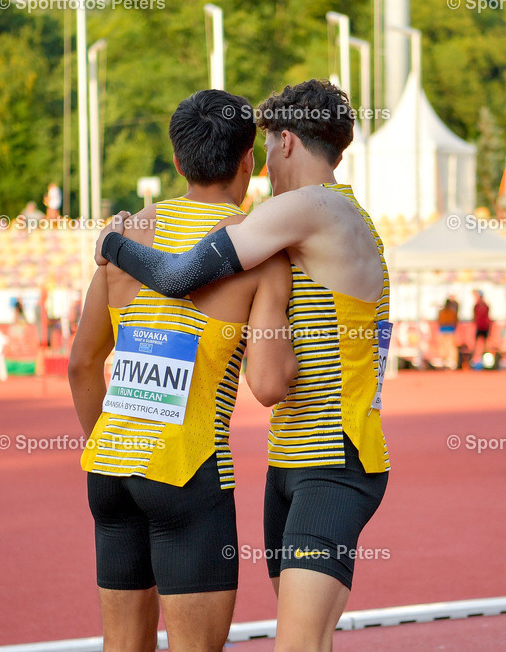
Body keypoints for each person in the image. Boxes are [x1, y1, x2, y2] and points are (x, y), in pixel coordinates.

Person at [96, 79, 391, 651]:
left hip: (334, 464)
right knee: (311, 642)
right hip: (293, 461)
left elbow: (182, 278)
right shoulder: (335, 215)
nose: (258, 175)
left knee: (297, 646)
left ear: (285, 141)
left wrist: (113, 243)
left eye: (265, 153)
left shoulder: (310, 206)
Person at [69, 89, 297, 651]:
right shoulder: (257, 248)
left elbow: (81, 364)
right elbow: (268, 385)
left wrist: (115, 439)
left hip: (112, 466)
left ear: (176, 162)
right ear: (251, 161)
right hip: (189, 468)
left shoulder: (125, 236)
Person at [437, 298, 459, 369]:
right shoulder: (451, 312)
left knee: (447, 346)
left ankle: (449, 361)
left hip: (444, 330)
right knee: (448, 346)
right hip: (448, 329)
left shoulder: (443, 312)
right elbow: (455, 321)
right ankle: (449, 361)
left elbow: (439, 321)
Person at [472, 290, 491, 363]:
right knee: (476, 343)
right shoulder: (477, 306)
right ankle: (475, 359)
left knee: (485, 344)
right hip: (479, 326)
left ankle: (485, 359)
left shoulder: (484, 306)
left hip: (484, 326)